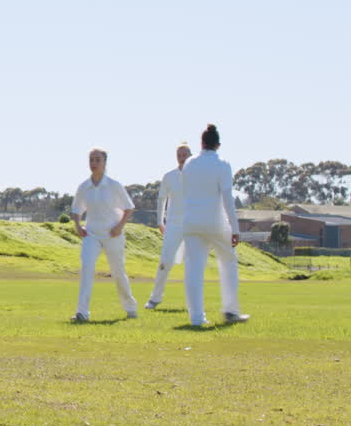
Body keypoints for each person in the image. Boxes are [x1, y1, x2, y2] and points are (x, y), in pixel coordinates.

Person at [181, 124, 248, 327]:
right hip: (215, 221)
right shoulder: (223, 165)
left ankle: (196, 318)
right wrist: (235, 229)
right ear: (217, 145)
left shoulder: (189, 163)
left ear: (202, 143)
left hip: (191, 221)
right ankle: (230, 310)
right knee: (228, 262)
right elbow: (227, 198)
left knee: (193, 270)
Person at [70, 148, 139, 322]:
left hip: (112, 234)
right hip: (91, 234)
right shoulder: (84, 187)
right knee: (87, 268)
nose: (94, 163)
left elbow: (129, 207)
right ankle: (82, 313)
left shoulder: (114, 186)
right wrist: (78, 225)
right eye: (91, 160)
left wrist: (119, 227)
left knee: (118, 272)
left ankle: (130, 308)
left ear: (105, 163)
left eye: (97, 160)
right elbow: (76, 209)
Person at [146, 143, 192, 309]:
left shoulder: (198, 176)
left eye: (185, 154)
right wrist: (160, 221)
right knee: (165, 261)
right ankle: (155, 298)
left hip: (193, 226)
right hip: (173, 225)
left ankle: (193, 303)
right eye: (179, 154)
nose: (182, 157)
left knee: (192, 264)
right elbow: (161, 199)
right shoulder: (169, 176)